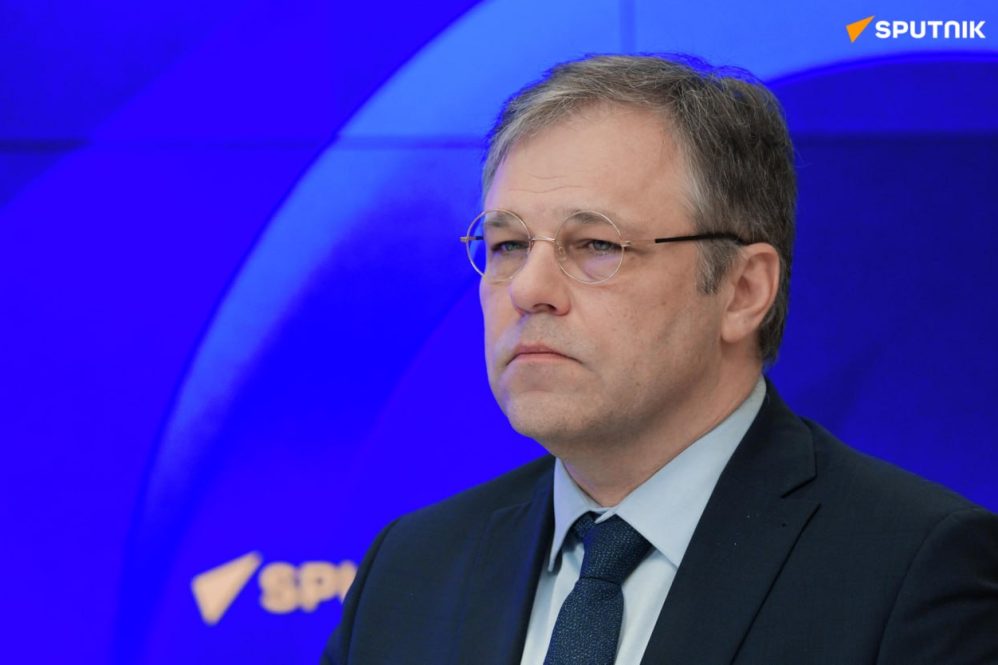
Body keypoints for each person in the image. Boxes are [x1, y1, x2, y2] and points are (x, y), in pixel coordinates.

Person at [321, 54, 998, 664]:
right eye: (507, 246)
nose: (527, 289)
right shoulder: (409, 568)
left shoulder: (914, 570)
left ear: (743, 290)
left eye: (596, 245)